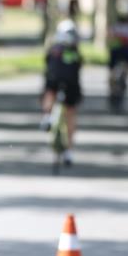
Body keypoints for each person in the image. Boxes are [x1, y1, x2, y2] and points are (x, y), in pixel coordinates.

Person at [40, 19, 82, 165]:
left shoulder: (54, 49)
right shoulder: (74, 50)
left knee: (50, 92)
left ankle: (47, 117)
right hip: (67, 86)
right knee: (70, 115)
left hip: (62, 85)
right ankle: (69, 151)